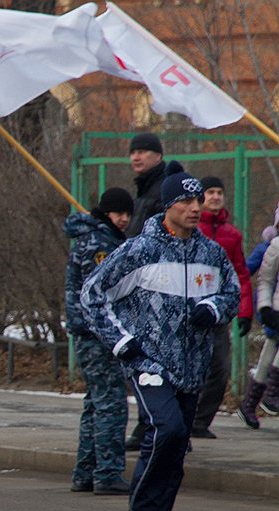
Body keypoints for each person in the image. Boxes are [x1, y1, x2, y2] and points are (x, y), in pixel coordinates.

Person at [81, 162, 239, 511]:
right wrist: (123, 343)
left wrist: (214, 308)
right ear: (167, 205)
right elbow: (92, 295)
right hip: (149, 364)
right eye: (185, 200)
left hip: (192, 366)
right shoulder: (139, 250)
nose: (194, 207)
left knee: (176, 445)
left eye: (197, 199)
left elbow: (232, 293)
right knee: (166, 430)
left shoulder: (212, 254)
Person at [63, 188, 134, 496]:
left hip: (89, 334)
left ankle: (85, 472)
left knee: (95, 403)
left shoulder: (94, 237)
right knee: (111, 404)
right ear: (106, 213)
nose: (124, 219)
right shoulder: (100, 245)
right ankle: (107, 473)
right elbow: (101, 293)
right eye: (119, 213)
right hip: (99, 335)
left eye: (128, 214)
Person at [190, 176, 253, 438]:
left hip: (218, 313)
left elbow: (240, 274)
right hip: (192, 313)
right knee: (192, 369)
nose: (215, 197)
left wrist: (245, 310)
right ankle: (183, 418)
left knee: (220, 369)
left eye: (219, 192)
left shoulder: (232, 235)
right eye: (210, 192)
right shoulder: (191, 230)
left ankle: (200, 422)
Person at [124, 133, 167, 451]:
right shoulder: (143, 189)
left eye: (143, 152)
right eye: (133, 152)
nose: (136, 157)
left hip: (160, 288)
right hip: (142, 286)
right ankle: (155, 423)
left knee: (155, 362)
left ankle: (154, 424)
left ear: (157, 155)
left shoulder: (162, 188)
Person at [244, 203, 279, 426]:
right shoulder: (274, 246)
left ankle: (249, 403)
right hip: (275, 311)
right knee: (271, 350)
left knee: (269, 352)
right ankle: (270, 394)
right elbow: (264, 280)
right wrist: (264, 308)